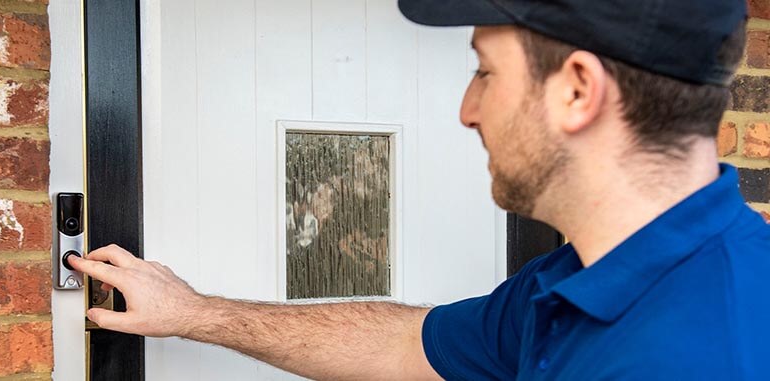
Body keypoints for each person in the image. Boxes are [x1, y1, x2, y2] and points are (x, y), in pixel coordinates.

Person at [68, 0, 770, 379]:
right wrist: (195, 312)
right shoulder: (574, 285)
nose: (467, 109)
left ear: (579, 89)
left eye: (485, 72)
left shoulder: (707, 350)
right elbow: (404, 343)